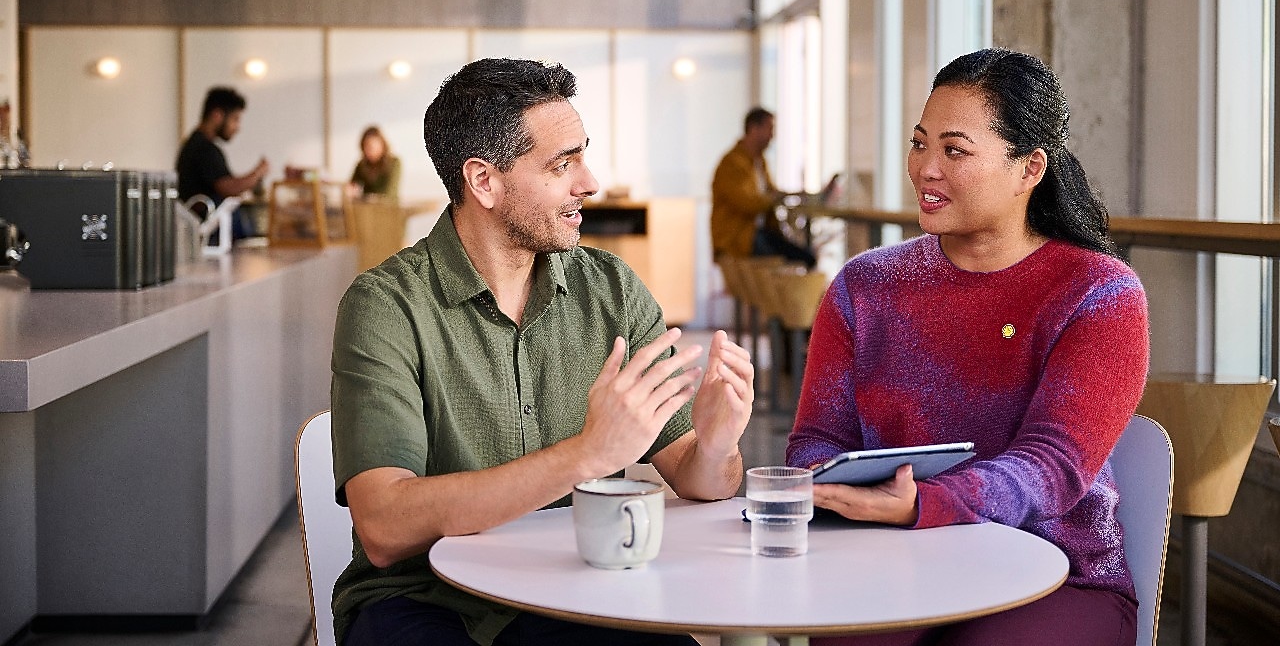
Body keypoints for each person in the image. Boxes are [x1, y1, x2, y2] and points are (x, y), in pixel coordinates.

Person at [330, 58, 754, 646]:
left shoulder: (611, 290)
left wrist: (715, 443)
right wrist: (586, 454)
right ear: (484, 182)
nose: (590, 182)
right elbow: (382, 524)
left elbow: (701, 479)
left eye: (583, 155)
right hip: (424, 600)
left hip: (572, 589)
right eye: (563, 164)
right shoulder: (386, 306)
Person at [786, 48, 1149, 646]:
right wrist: (822, 484)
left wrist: (926, 503)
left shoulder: (1099, 292)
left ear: (1030, 168)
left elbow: (1053, 466)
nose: (926, 168)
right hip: (886, 557)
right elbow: (818, 441)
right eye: (919, 142)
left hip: (1054, 568)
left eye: (954, 150)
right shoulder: (863, 286)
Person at [710, 107, 816, 269]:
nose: (772, 136)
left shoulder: (759, 161)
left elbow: (770, 193)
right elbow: (748, 203)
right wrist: (777, 198)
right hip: (738, 239)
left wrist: (793, 194)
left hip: (756, 234)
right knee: (794, 259)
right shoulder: (732, 163)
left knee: (805, 255)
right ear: (754, 128)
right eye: (770, 129)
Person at [175, 86, 268, 238]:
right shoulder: (204, 148)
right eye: (235, 119)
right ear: (217, 115)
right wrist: (258, 172)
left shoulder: (196, 144)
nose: (237, 127)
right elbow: (228, 188)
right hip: (209, 236)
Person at [350, 125, 402, 199]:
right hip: (366, 208)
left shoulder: (394, 163)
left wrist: (370, 198)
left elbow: (389, 193)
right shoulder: (362, 165)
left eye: (372, 146)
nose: (369, 151)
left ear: (382, 145)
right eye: (366, 147)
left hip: (388, 208)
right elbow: (351, 185)